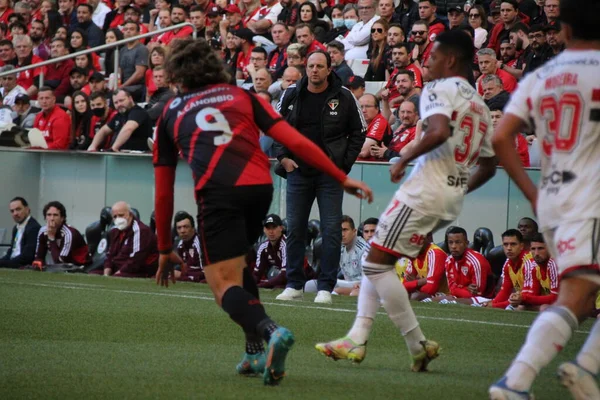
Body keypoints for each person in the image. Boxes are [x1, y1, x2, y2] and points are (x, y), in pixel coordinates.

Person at [152, 39, 372, 385]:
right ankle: (254, 352)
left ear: (176, 73)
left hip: (219, 194)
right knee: (239, 267)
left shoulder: (170, 111)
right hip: (259, 188)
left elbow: (163, 192)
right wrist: (341, 177)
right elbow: (296, 141)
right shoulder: (242, 97)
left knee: (221, 284)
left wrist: (164, 248)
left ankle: (271, 332)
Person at [315, 30, 497, 372]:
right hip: (447, 196)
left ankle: (416, 343)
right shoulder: (480, 105)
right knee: (378, 258)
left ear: (452, 60)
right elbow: (488, 167)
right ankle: (358, 337)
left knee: (373, 263)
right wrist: (456, 189)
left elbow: (439, 131)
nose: (427, 60)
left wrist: (403, 156)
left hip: (424, 189)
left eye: (434, 55)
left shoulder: (439, 89)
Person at [489, 2, 600, 397]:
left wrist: (533, 194)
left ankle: (582, 367)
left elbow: (501, 136)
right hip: (592, 197)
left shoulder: (542, 75)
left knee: (582, 295)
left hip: (552, 198)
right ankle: (518, 380)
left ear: (563, 31)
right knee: (575, 295)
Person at [274, 50, 366, 305]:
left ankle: (326, 286)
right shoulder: (291, 94)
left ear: (329, 69)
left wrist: (342, 166)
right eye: (311, 66)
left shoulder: (344, 96)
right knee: (294, 229)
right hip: (298, 172)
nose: (314, 70)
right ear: (306, 67)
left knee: (331, 231)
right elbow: (275, 126)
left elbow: (359, 132)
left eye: (320, 66)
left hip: (329, 175)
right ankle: (294, 284)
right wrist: (283, 158)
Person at [305, 215, 369, 296]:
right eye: (339, 230)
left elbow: (368, 280)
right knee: (310, 285)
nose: (342, 234)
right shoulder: (340, 247)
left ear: (354, 231)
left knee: (332, 290)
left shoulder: (363, 249)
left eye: (345, 230)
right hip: (347, 283)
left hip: (361, 286)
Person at [103, 201, 158, 278]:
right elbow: (110, 255)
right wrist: (106, 274)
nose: (118, 219)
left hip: (137, 271)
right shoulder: (114, 231)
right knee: (93, 273)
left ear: (130, 215)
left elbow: (136, 260)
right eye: (115, 217)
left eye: (121, 215)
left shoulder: (141, 230)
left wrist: (116, 275)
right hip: (117, 269)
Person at [88, 89, 152, 152]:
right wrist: (92, 146)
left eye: (121, 100)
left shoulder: (138, 112)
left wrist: (114, 147)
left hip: (139, 157)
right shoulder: (119, 115)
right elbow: (103, 131)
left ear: (130, 98)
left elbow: (128, 128)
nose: (119, 104)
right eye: (116, 102)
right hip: (123, 155)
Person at [32, 200, 90, 269]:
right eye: (49, 215)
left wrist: (51, 238)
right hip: (64, 266)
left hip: (80, 266)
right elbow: (38, 258)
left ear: (62, 218)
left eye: (55, 215)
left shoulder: (69, 233)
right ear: (45, 217)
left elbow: (61, 263)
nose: (52, 218)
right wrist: (38, 264)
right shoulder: (42, 231)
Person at [443, 226, 493, 303]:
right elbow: (451, 289)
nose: (453, 246)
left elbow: (477, 294)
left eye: (458, 242)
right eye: (450, 242)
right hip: (461, 297)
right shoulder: (448, 261)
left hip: (483, 300)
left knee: (448, 300)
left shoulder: (476, 261)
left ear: (466, 243)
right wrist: (466, 288)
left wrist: (457, 289)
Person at [485, 229, 533, 309]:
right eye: (505, 244)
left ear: (521, 246)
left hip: (536, 301)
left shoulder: (528, 262)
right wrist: (493, 303)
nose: (509, 248)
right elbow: (505, 291)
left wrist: (494, 305)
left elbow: (526, 297)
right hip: (523, 301)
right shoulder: (508, 264)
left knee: (518, 307)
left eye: (513, 244)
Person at [518, 233, 559, 310]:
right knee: (522, 307)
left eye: (540, 248)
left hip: (577, 304)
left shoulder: (554, 263)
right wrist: (519, 299)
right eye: (533, 249)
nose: (536, 253)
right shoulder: (534, 267)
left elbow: (555, 298)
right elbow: (533, 293)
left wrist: (523, 298)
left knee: (544, 308)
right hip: (559, 304)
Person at [0, 197, 40, 269]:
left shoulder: (33, 228)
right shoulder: (16, 228)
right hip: (13, 263)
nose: (15, 213)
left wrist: (5, 263)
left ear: (27, 209)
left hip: (23, 267)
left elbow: (27, 257)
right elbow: (12, 251)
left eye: (18, 209)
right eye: (12, 211)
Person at [253, 214, 287, 289]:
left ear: (281, 228)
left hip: (306, 280)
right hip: (286, 281)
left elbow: (285, 275)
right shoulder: (263, 247)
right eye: (268, 228)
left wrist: (261, 285)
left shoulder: (286, 244)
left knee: (278, 285)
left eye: (274, 227)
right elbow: (256, 274)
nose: (271, 232)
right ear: (264, 230)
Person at [119, 21, 149, 102]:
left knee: (119, 93)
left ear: (138, 33)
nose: (128, 31)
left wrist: (122, 86)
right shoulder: (122, 50)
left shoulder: (141, 49)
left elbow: (139, 73)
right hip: (125, 86)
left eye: (131, 29)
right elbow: (120, 70)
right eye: (126, 29)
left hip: (138, 87)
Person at [357, 93, 392, 161]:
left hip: (373, 167)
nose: (363, 110)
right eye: (361, 107)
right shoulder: (357, 122)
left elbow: (364, 151)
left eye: (368, 106)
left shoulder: (380, 122)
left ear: (377, 108)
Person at [173, 211, 204, 282]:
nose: (182, 231)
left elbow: (204, 271)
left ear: (193, 228)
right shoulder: (180, 245)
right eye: (179, 228)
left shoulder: (199, 243)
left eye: (186, 227)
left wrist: (181, 275)